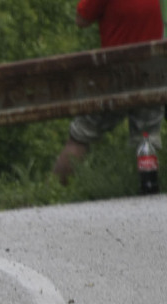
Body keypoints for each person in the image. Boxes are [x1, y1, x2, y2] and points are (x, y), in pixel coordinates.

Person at [52, 0, 164, 185]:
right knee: (147, 138)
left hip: (116, 75)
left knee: (81, 134)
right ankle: (148, 187)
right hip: (152, 73)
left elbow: (81, 20)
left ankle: (55, 191)